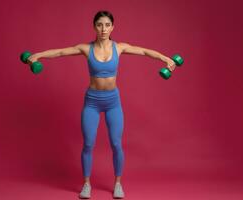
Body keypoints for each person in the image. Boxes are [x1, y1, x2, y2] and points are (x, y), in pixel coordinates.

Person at [27, 10, 176, 199]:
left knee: (116, 143)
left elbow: (145, 51)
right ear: (94, 27)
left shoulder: (119, 47)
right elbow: (60, 52)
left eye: (107, 25)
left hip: (113, 101)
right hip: (92, 101)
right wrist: (37, 55)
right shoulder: (86, 48)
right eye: (99, 25)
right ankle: (86, 184)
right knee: (88, 144)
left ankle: (118, 184)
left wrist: (166, 59)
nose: (103, 29)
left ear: (113, 27)